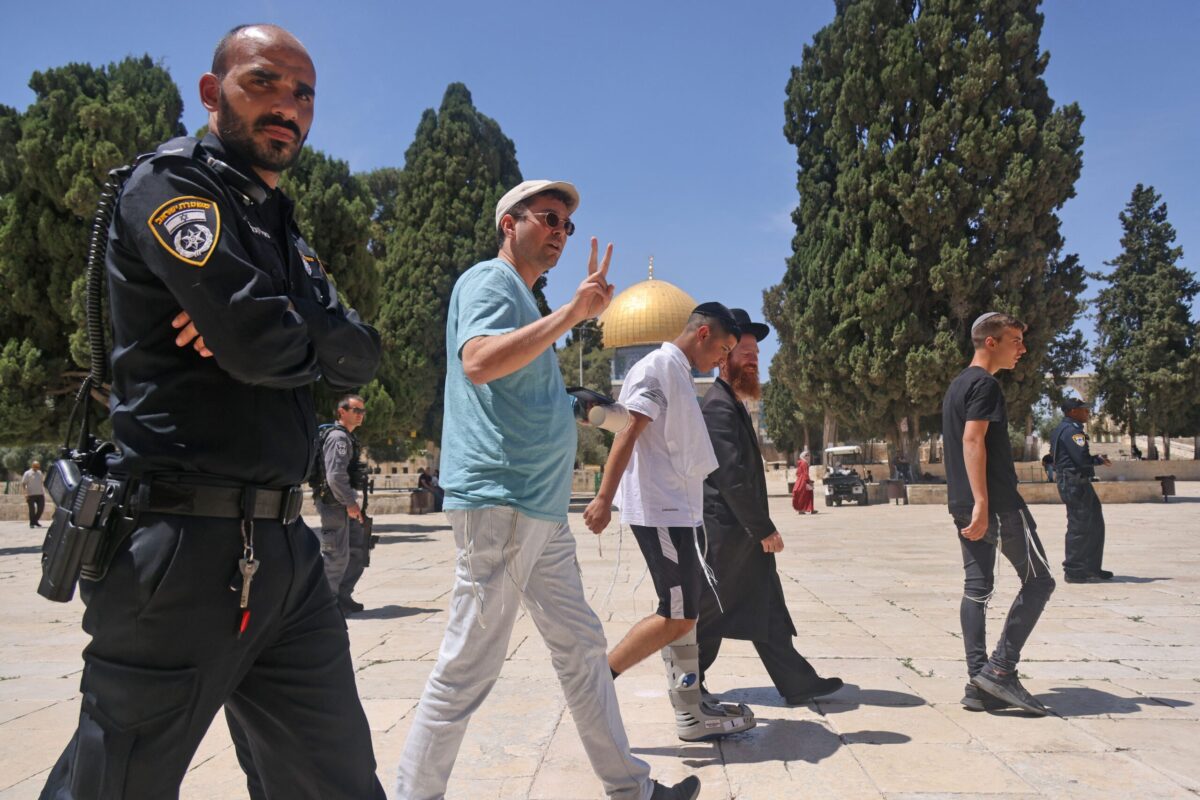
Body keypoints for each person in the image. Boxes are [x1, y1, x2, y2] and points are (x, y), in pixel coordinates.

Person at [40, 25, 386, 799]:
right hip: (182, 550)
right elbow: (262, 345)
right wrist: (281, 335)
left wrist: (276, 317)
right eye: (264, 83)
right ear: (211, 93)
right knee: (115, 783)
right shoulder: (172, 187)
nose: (287, 108)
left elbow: (362, 353)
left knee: (335, 781)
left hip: (284, 553)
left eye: (303, 95)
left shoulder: (276, 221)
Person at [396, 179, 699, 800]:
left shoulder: (528, 304)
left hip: (538, 509)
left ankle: (630, 790)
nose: (560, 232)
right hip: (503, 503)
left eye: (566, 223)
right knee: (465, 671)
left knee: (583, 649)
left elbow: (518, 392)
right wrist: (574, 314)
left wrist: (574, 405)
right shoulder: (490, 281)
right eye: (549, 218)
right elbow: (478, 361)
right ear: (510, 223)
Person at [584, 302, 756, 742]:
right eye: (721, 349)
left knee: (689, 613)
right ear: (702, 335)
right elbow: (629, 432)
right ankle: (596, 682)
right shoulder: (657, 367)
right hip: (661, 511)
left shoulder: (678, 370)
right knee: (677, 615)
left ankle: (691, 707)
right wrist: (604, 499)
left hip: (681, 511)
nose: (722, 360)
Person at [697, 308, 842, 707]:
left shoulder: (731, 403)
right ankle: (689, 681)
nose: (753, 362)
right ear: (723, 356)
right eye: (746, 354)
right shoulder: (717, 407)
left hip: (738, 534)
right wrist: (763, 528)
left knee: (764, 604)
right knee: (711, 612)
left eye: (756, 357)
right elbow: (731, 478)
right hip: (727, 534)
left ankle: (797, 682)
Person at [942, 311, 1056, 717]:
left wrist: (971, 502)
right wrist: (984, 503)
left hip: (963, 502)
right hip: (997, 504)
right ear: (990, 342)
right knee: (1040, 581)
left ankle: (979, 681)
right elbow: (973, 440)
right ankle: (1001, 670)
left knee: (977, 587)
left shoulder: (957, 385)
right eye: (1015, 340)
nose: (1022, 349)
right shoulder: (985, 384)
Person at [314, 394, 370, 614]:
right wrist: (350, 503)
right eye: (355, 410)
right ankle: (326, 604)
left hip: (343, 503)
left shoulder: (347, 437)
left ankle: (342, 596)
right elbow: (335, 476)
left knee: (357, 549)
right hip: (334, 503)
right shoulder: (338, 438)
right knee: (336, 554)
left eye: (362, 411)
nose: (360, 415)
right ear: (342, 412)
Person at [1051, 397, 1112, 583]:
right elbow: (1082, 459)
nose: (1087, 413)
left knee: (1093, 523)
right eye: (1083, 410)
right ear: (1072, 412)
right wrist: (1099, 460)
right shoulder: (1072, 431)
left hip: (1076, 481)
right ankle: (1074, 570)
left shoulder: (1064, 428)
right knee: (1079, 526)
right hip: (1074, 483)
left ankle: (1090, 567)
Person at [20, 461, 45, 529]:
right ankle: (32, 523)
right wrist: (25, 493)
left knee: (41, 508)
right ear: (32, 466)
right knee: (32, 509)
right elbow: (24, 484)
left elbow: (42, 482)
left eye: (38, 466)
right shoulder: (27, 473)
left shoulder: (40, 473)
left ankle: (35, 521)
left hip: (40, 494)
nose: (37, 468)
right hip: (30, 494)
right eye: (36, 466)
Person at [791, 450, 817, 514]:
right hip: (804, 481)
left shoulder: (800, 462)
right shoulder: (805, 463)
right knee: (809, 495)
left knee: (801, 496)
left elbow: (797, 473)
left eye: (808, 455)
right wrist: (808, 481)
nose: (808, 456)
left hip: (799, 481)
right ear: (803, 456)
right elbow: (805, 473)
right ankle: (810, 509)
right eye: (806, 455)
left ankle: (801, 510)